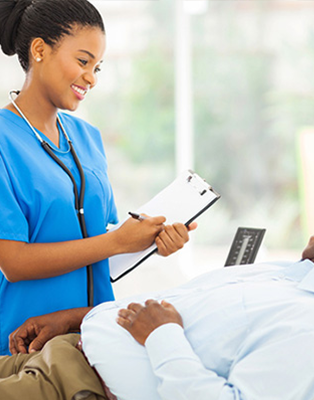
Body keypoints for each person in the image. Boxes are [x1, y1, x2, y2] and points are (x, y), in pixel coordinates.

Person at [2, 197, 314, 400]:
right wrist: (77, 318)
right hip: (64, 349)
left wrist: (163, 337)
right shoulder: (293, 277)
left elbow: (164, 328)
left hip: (74, 386)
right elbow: (171, 310)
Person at [0, 0, 195, 356]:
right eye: (83, 61)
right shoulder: (3, 140)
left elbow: (101, 243)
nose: (91, 77)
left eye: (97, 67)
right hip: (25, 351)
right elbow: (12, 262)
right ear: (40, 49)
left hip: (94, 344)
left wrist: (152, 239)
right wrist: (118, 241)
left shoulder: (88, 138)